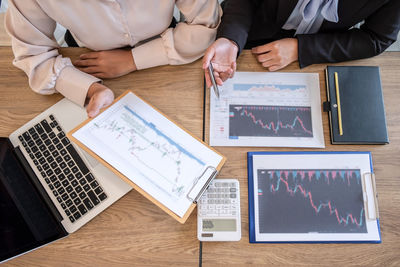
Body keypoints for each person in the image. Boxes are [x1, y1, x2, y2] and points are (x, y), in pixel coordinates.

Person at [5, 0, 221, 117]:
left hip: (169, 52)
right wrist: (89, 89)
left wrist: (131, 60)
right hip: (91, 59)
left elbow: (205, 26)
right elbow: (33, 55)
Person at [203, 0, 400, 88]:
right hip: (249, 30)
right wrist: (230, 40)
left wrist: (301, 48)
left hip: (319, 47)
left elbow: (377, 38)